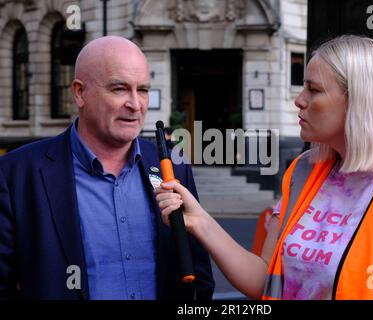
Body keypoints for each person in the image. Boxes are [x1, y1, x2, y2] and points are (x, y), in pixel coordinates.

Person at [156, 35, 373, 300]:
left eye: (314, 90)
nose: (299, 100)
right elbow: (262, 280)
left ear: (358, 100)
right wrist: (199, 221)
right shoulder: (303, 172)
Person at [0, 36, 214, 300]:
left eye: (143, 90)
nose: (135, 104)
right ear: (80, 93)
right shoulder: (16, 174)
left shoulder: (173, 168)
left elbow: (198, 278)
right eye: (119, 89)